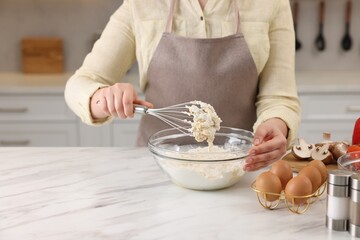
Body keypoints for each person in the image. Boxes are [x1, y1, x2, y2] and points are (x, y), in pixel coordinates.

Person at [65, 0, 301, 172]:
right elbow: (81, 83)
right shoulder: (141, 5)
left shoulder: (271, 4)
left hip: (241, 169)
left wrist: (276, 125)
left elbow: (279, 98)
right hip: (156, 171)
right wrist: (102, 98)